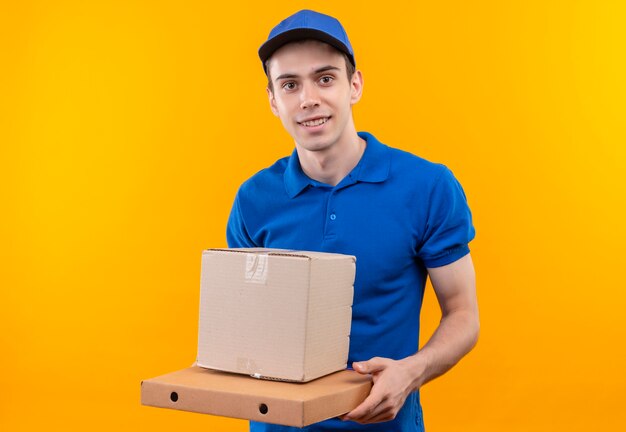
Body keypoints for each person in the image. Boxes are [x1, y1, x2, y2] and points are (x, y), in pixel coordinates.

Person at [226, 9, 479, 432]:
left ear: (354, 85)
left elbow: (463, 314)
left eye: (325, 78)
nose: (309, 99)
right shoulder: (253, 200)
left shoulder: (427, 186)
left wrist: (412, 371)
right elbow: (244, 323)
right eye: (290, 85)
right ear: (273, 100)